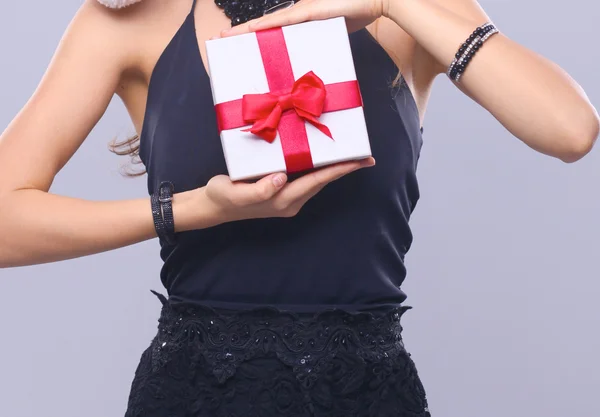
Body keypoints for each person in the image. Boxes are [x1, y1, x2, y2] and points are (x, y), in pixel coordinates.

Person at [0, 0, 597, 415]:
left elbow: (569, 131)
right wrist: (194, 210)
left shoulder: (401, 13)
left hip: (367, 393)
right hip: (191, 393)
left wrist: (396, 6)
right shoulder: (130, 19)